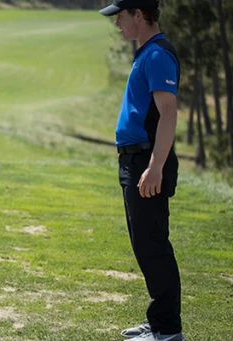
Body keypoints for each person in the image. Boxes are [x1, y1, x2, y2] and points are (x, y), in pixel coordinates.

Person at [98, 1, 184, 341]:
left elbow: (169, 115)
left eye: (120, 16)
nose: (117, 23)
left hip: (147, 163)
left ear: (139, 14)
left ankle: (167, 330)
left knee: (153, 245)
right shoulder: (146, 53)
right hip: (135, 162)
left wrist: (155, 168)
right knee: (144, 246)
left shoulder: (158, 54)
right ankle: (160, 321)